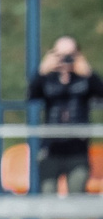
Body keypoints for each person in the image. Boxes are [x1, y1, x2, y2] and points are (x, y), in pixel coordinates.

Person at [32, 36, 96, 194]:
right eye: (59, 54)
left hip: (77, 149)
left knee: (77, 203)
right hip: (51, 148)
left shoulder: (84, 80)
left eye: (70, 54)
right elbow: (32, 95)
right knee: (47, 202)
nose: (65, 60)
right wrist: (42, 72)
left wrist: (88, 73)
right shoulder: (48, 79)